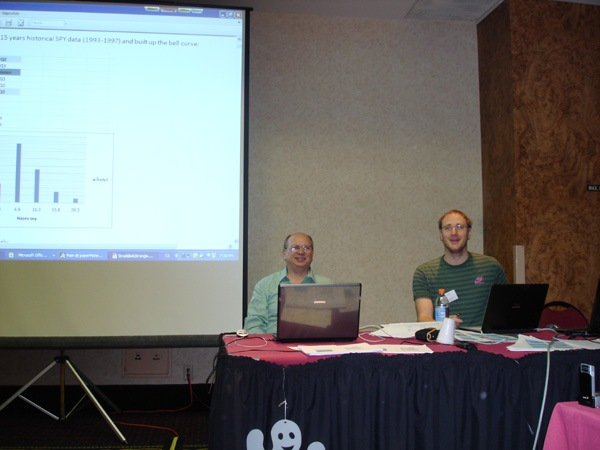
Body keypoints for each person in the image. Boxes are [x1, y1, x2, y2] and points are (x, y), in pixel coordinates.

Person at [413, 210, 507, 327]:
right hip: (444, 338)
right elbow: (423, 318)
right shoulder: (425, 273)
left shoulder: (491, 267)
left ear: (469, 233)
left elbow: (505, 311)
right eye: (448, 228)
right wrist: (445, 325)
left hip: (484, 338)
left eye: (459, 227)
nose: (454, 232)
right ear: (441, 234)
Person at [244, 233, 333, 334]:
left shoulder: (328, 285)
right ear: (284, 253)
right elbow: (254, 325)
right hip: (273, 343)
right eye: (295, 248)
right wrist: (267, 343)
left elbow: (335, 324)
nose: (301, 252)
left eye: (306, 248)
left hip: (316, 342)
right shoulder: (264, 285)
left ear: (312, 254)